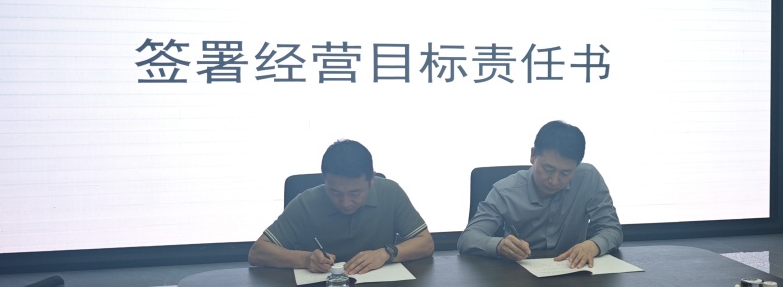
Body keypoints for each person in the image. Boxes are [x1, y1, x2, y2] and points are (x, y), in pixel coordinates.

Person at [248, 139, 434, 275]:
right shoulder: (306, 202)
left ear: (372, 179)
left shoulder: (390, 192)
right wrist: (306, 259)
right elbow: (257, 253)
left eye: (355, 193)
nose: (345, 203)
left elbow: (425, 242)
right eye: (335, 192)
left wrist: (386, 253)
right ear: (325, 180)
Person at [457, 120, 622, 269]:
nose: (554, 180)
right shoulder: (505, 191)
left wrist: (593, 245)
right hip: (519, 275)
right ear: (533, 155)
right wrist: (499, 245)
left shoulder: (588, 178)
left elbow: (612, 229)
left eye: (565, 173)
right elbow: (468, 238)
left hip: (573, 271)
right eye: (548, 169)